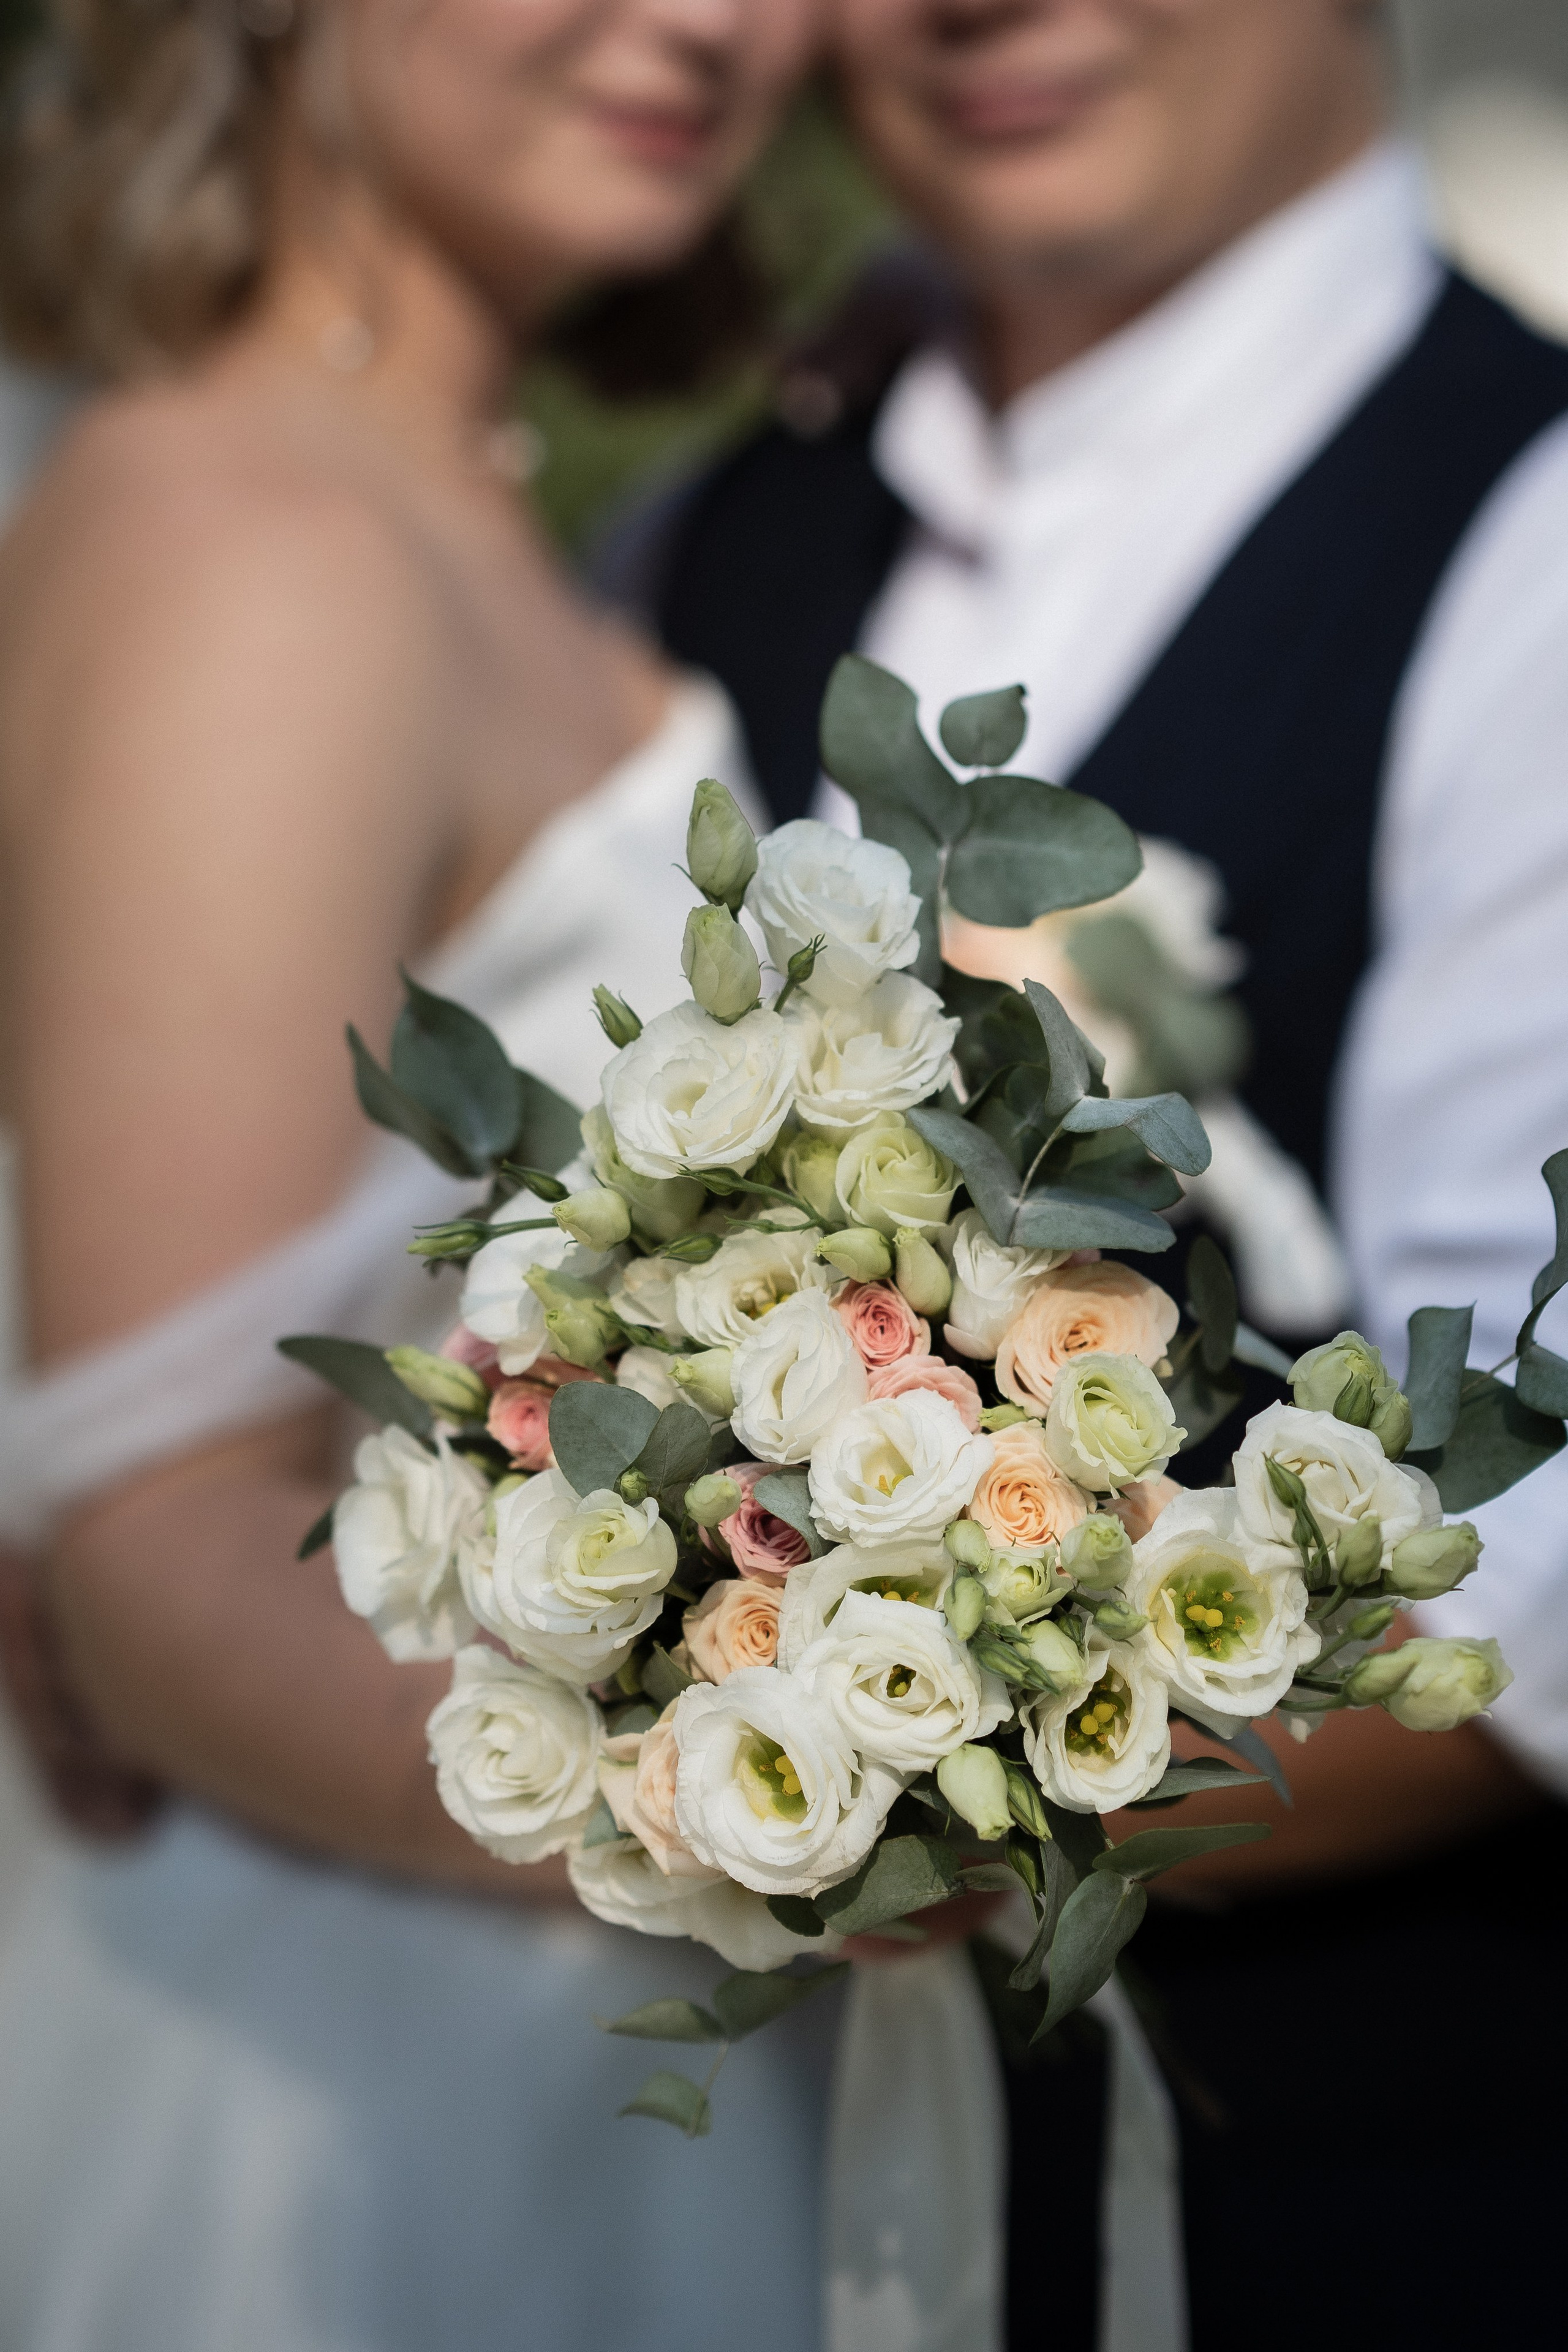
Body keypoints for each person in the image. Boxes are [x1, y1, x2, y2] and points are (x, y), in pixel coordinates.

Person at [612, 1, 1568, 2342]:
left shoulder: (1528, 540)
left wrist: (811, 1779)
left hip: (1340, 2217)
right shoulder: (712, 533)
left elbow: (1540, 1578)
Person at [0, 4, 829, 2348]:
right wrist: (810, 1806)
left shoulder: (464, 508)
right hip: (356, 2099)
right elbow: (154, 1542)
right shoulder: (257, 541)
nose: (710, 25)